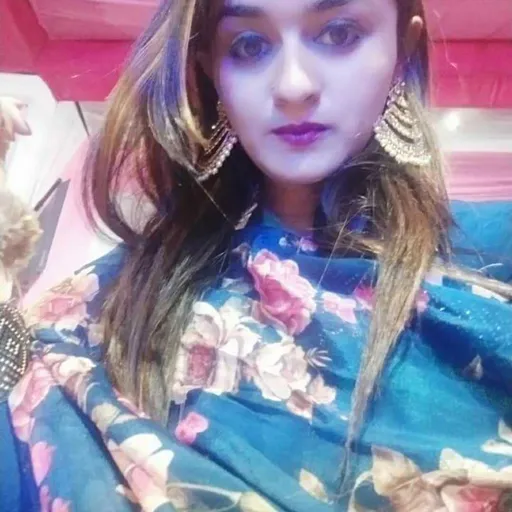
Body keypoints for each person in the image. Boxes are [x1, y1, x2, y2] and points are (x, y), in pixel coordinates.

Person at [1, 0, 512, 510]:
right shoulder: (118, 301)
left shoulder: (492, 251)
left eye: (339, 34)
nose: (293, 85)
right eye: (248, 46)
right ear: (211, 69)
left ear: (402, 49)